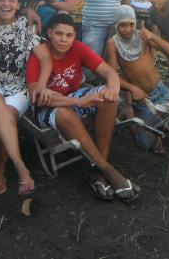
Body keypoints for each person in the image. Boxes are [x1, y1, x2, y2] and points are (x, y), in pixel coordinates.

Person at [26, 13, 141, 201]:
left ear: (74, 36)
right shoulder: (39, 55)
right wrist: (79, 102)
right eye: (59, 34)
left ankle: (95, 170)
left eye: (69, 35)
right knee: (64, 113)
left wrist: (112, 90)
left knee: (107, 97)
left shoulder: (78, 48)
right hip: (48, 107)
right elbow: (37, 98)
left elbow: (108, 71)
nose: (64, 39)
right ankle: (108, 170)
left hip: (72, 96)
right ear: (49, 32)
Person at [0, 0, 52, 196]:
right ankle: (19, 167)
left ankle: (0, 169)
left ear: (18, 5)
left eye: (11, 0)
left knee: (2, 116)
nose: (5, 4)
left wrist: (41, 84)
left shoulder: (26, 25)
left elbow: (45, 59)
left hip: (19, 90)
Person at [104, 5, 169, 153]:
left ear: (135, 23)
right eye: (122, 25)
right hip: (143, 97)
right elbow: (112, 75)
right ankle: (132, 122)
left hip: (160, 89)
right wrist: (132, 88)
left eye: (131, 24)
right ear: (116, 25)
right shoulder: (113, 43)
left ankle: (158, 138)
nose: (127, 29)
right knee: (144, 144)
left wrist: (153, 36)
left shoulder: (143, 36)